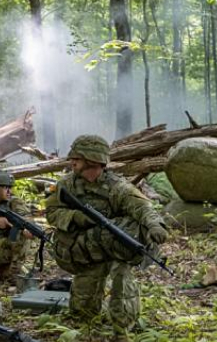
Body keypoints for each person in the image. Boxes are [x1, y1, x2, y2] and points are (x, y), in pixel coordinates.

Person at [45, 134, 168, 329]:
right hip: (87, 248)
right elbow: (51, 212)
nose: (72, 162)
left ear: (92, 160)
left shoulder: (116, 187)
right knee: (82, 310)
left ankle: (122, 327)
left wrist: (155, 225)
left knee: (121, 278)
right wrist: (76, 217)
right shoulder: (67, 185)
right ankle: (85, 325)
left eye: (77, 159)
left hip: (114, 248)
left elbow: (142, 207)